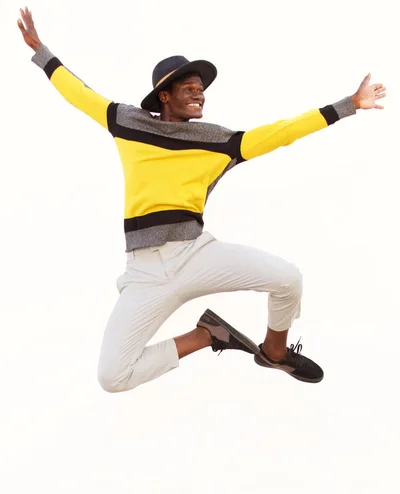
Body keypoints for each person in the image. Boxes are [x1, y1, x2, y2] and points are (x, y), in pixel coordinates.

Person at [18, 7, 386, 391]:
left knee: (288, 279)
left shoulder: (218, 141)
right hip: (144, 274)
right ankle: (207, 335)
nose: (200, 94)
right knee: (112, 377)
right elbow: (81, 94)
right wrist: (41, 51)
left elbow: (282, 133)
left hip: (195, 255)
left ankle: (274, 352)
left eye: (202, 89)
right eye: (189, 88)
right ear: (164, 95)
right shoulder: (126, 122)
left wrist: (348, 105)